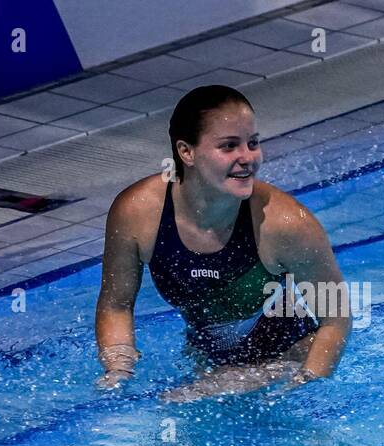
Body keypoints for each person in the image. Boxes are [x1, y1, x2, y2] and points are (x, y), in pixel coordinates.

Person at [94, 85, 351, 402]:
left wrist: (301, 388)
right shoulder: (138, 213)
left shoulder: (285, 224)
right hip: (206, 361)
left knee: (177, 403)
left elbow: (335, 319)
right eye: (229, 146)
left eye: (253, 143)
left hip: (286, 362)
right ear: (186, 152)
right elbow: (116, 305)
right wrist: (118, 373)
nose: (248, 158)